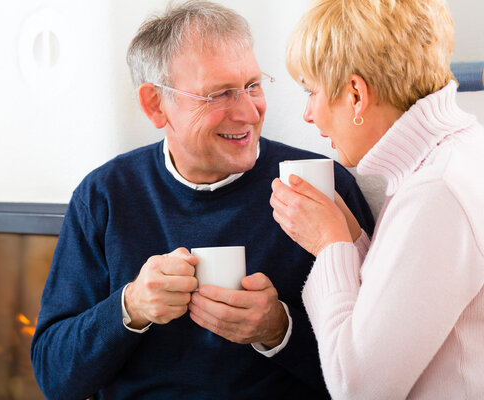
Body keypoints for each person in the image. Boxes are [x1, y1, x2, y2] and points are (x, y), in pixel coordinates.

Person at [31, 1, 374, 399]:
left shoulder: (319, 187)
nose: (248, 113)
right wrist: (130, 307)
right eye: (219, 95)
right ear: (155, 104)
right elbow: (54, 378)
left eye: (252, 85)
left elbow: (377, 372)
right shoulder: (104, 195)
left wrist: (280, 331)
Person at [270, 0, 484, 398]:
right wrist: (353, 241)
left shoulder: (436, 192)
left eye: (311, 91)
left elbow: (359, 389)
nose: (308, 114)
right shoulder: (451, 157)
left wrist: (329, 245)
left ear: (355, 94)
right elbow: (409, 306)